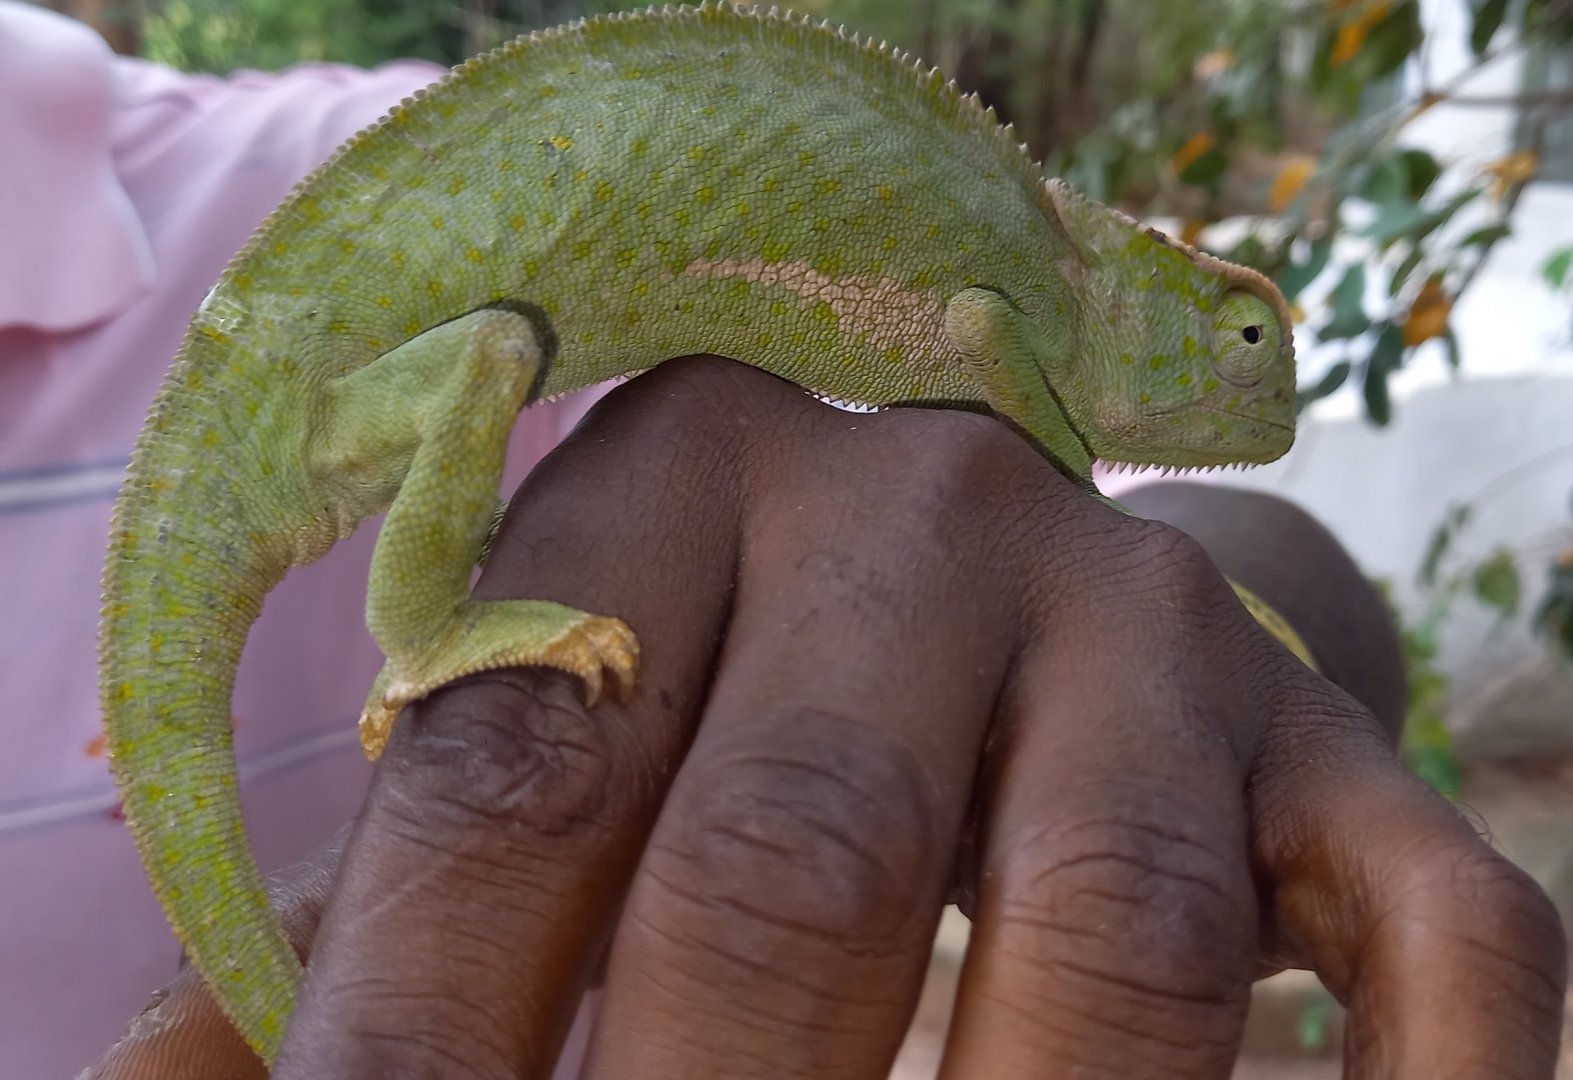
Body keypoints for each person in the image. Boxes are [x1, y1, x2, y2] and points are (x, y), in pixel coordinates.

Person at [2, 5, 1562, 1078]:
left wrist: (1186, 649)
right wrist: (429, 631)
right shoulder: (1017, 302)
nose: (1248, 376)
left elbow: (1088, 528)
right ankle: (421, 627)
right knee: (485, 355)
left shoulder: (259, 162)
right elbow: (996, 386)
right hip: (303, 420)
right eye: (1235, 337)